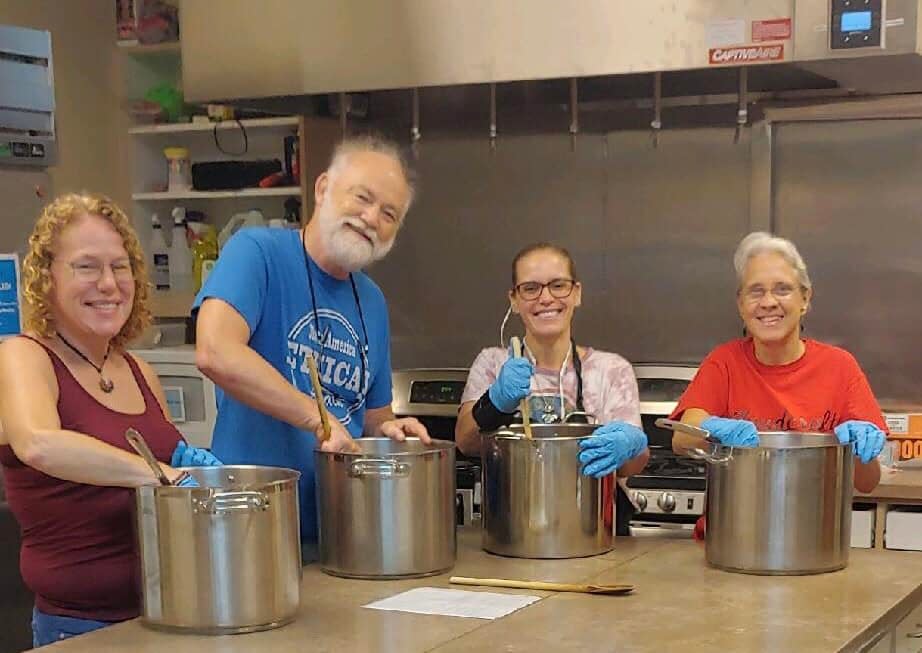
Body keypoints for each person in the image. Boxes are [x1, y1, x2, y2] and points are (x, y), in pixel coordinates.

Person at [194, 134, 430, 561]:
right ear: (323, 189)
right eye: (362, 197)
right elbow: (215, 351)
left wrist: (391, 430)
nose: (371, 217)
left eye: (389, 213)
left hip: (341, 537)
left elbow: (371, 416)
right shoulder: (257, 252)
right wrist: (315, 418)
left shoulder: (371, 299)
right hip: (251, 532)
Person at [0, 193, 220, 647]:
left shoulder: (139, 371)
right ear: (46, 278)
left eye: (120, 267)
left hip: (170, 615)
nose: (108, 283)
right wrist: (159, 474)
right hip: (80, 629)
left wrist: (199, 473)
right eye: (86, 267)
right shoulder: (22, 357)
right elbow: (39, 443)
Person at [670, 231, 886, 538]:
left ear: (805, 299)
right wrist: (713, 428)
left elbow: (867, 482)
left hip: (811, 546)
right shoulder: (725, 362)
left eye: (782, 290)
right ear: (741, 304)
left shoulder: (840, 367)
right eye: (755, 291)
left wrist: (860, 450)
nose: (768, 302)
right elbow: (681, 438)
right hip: (728, 542)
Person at [455, 243, 649, 535]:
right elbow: (466, 442)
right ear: (514, 300)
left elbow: (633, 466)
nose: (546, 298)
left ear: (577, 293)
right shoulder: (492, 363)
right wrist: (494, 403)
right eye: (531, 288)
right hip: (510, 533)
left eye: (558, 285)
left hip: (591, 534)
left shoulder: (612, 370)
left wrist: (631, 445)